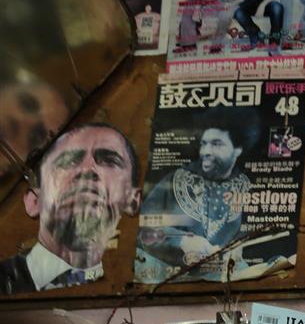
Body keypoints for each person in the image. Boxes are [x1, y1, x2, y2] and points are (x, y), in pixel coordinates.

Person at [0, 122, 140, 294]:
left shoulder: (135, 284)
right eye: (68, 160)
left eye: (109, 161)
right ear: (34, 202)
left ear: (132, 200)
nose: (87, 169)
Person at [136, 112, 253, 277]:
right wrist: (182, 240)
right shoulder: (176, 180)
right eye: (204, 144)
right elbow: (140, 226)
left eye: (216, 144)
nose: (206, 151)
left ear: (238, 150)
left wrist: (236, 252)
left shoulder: (246, 187)